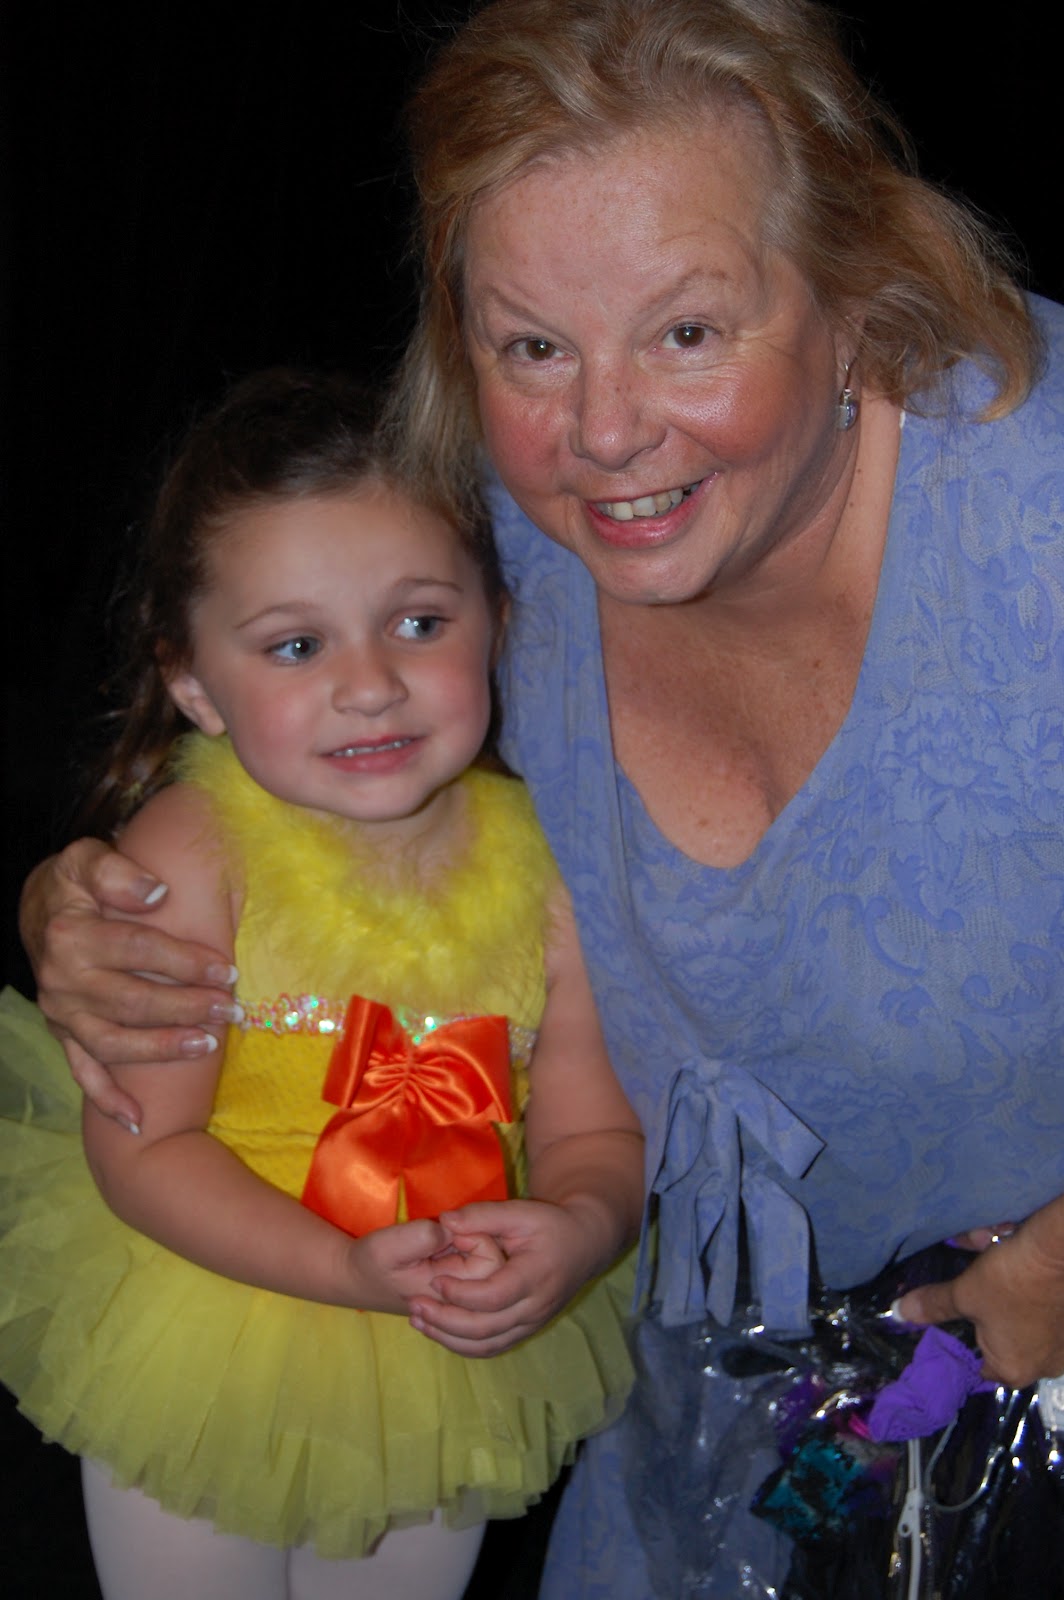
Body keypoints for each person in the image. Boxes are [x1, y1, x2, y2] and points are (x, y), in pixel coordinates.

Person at [17, 0, 1064, 1593]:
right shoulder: (479, 551)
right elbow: (284, 761)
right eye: (532, 347)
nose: (603, 433)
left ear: (855, 293)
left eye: (687, 332)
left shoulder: (1042, 510)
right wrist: (86, 908)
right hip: (677, 1462)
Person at [0, 367, 642, 1600]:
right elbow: (143, 1148)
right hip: (210, 1321)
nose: (368, 682)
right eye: (296, 644)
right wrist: (339, 1271)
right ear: (194, 683)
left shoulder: (557, 867)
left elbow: (593, 1128)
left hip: (435, 1344)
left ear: (498, 618)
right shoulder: (191, 854)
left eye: (419, 622)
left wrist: (578, 1226)